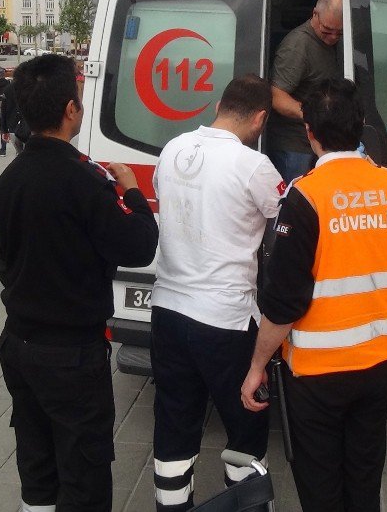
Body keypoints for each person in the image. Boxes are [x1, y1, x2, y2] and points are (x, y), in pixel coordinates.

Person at [240, 77, 387, 512]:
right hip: (381, 363)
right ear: (362, 125)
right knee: (364, 478)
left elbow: (283, 304)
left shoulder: (304, 197)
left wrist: (255, 366)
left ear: (309, 132)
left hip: (319, 376)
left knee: (321, 487)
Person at [0, 53, 158, 512]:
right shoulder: (87, 183)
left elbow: (7, 261)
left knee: (37, 464)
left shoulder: (10, 179)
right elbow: (139, 246)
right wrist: (133, 193)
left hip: (19, 345)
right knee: (83, 473)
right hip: (70, 356)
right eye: (80, 101)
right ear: (69, 110)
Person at [151, 74, 284, 511]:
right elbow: (287, 221)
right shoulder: (254, 165)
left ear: (218, 106)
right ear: (260, 118)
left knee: (174, 422)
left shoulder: (173, 148)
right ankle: (245, 504)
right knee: (246, 426)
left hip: (168, 311)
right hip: (225, 320)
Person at [267, 0, 344, 184]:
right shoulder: (298, 45)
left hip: (320, 142)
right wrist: (314, 113)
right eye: (327, 31)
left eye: (340, 33)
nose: (333, 38)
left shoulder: (334, 41)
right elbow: (276, 95)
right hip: (294, 147)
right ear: (315, 14)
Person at [0, 79, 29, 155]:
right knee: (28, 154)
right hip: (28, 127)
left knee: (19, 153)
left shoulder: (8, 88)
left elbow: (3, 110)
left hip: (13, 127)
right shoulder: (31, 87)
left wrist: (4, 130)